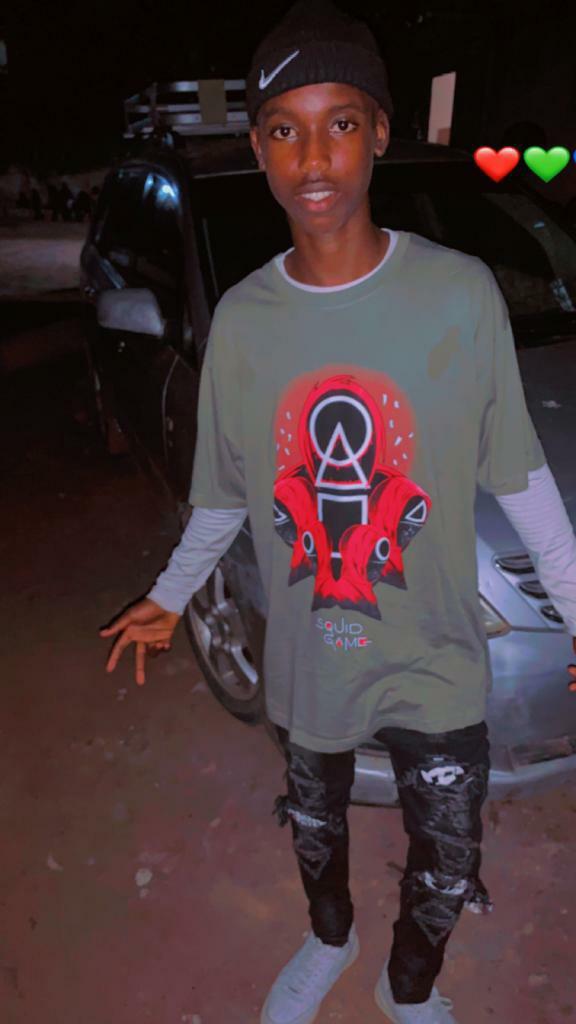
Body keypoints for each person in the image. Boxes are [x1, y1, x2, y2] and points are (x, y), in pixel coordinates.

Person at [99, 2, 576, 1021]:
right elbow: (223, 496)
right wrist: (171, 596)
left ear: (381, 132)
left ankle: (409, 987)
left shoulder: (459, 295)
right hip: (310, 663)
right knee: (316, 830)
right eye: (285, 129)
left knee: (447, 853)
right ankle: (330, 937)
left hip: (438, 661)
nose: (313, 157)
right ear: (260, 148)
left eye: (341, 123)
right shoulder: (244, 322)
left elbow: (523, 483)